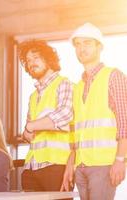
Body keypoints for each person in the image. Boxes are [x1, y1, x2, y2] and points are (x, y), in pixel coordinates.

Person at [67, 22, 127, 200]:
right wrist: (71, 163)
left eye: (87, 43)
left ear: (99, 47)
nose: (81, 48)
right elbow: (74, 131)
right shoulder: (77, 87)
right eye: (77, 44)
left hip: (104, 165)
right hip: (81, 166)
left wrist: (120, 160)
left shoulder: (113, 76)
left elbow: (125, 123)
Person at [18, 40, 74, 192]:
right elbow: (27, 135)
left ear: (48, 59)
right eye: (28, 61)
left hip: (56, 167)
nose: (31, 63)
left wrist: (31, 126)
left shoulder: (64, 84)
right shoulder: (33, 96)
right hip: (31, 167)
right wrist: (31, 128)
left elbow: (65, 115)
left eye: (36, 58)